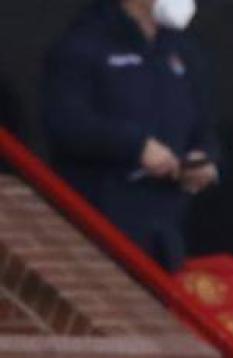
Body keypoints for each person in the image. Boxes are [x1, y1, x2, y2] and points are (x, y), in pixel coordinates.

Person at [43, 0, 221, 271]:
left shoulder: (181, 50)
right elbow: (66, 123)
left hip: (164, 224)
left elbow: (203, 127)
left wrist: (205, 158)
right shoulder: (84, 44)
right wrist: (136, 147)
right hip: (100, 221)